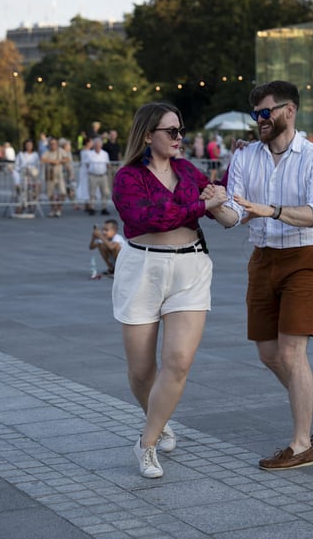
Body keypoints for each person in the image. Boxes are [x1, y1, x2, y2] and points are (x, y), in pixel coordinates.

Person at [208, 80, 313, 472]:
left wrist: (271, 209)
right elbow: (235, 215)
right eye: (256, 114)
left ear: (289, 110)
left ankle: (302, 445)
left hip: (303, 258)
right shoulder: (247, 156)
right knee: (268, 353)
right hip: (262, 259)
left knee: (290, 352)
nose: (259, 120)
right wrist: (217, 206)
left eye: (266, 112)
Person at [111, 101, 226, 479]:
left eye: (181, 131)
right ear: (148, 135)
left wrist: (217, 197)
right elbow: (148, 219)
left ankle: (146, 443)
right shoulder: (128, 178)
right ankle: (159, 420)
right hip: (142, 269)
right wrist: (198, 203)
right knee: (142, 371)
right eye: (171, 132)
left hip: (190, 267)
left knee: (178, 362)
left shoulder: (188, 170)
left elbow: (214, 202)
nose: (180, 138)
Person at [42, 137, 71, 218]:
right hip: (50, 175)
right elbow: (42, 159)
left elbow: (67, 158)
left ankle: (59, 208)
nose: (53, 145)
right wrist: (52, 161)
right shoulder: (47, 152)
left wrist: (60, 161)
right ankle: (53, 208)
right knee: (50, 193)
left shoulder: (60, 151)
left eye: (54, 144)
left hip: (59, 175)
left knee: (63, 193)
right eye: (51, 144)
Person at [13, 139, 40, 216]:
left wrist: (34, 171)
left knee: (33, 191)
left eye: (30, 145)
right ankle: (22, 206)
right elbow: (16, 166)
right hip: (23, 176)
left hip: (32, 176)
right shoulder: (21, 154)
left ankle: (31, 206)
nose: (29, 146)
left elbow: (38, 166)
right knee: (23, 191)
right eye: (27, 145)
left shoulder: (35, 155)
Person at [87, 137, 111, 215]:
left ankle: (104, 208)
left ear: (101, 146)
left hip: (103, 175)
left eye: (99, 145)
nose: (97, 147)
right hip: (93, 175)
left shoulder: (105, 154)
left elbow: (107, 164)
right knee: (92, 193)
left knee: (105, 192)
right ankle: (92, 208)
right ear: (94, 146)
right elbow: (87, 164)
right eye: (96, 145)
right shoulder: (90, 153)